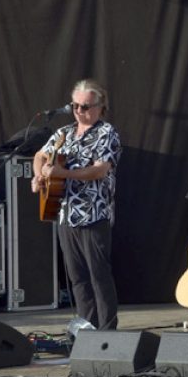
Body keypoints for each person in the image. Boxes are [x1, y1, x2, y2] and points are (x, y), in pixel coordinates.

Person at [32, 79, 122, 330]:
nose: (80, 111)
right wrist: (38, 175)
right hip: (66, 213)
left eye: (85, 106)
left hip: (94, 214)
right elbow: (40, 155)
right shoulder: (64, 133)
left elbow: (100, 171)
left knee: (98, 276)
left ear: (99, 107)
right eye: (75, 106)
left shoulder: (107, 133)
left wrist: (62, 174)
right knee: (78, 279)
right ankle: (87, 330)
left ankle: (107, 333)